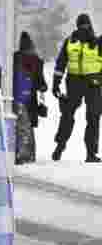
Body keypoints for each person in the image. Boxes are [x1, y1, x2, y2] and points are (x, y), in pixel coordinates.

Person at [0, 31, 47, 164]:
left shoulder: (12, 59)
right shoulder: (36, 61)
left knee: (18, 128)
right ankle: (28, 155)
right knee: (27, 128)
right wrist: (43, 88)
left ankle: (20, 155)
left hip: (14, 99)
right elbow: (41, 83)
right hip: (29, 101)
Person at [51, 13, 101, 162]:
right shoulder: (97, 42)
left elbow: (60, 64)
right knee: (93, 118)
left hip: (74, 83)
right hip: (93, 84)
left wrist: (56, 83)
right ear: (90, 24)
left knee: (67, 115)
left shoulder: (70, 41)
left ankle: (60, 146)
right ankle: (91, 154)